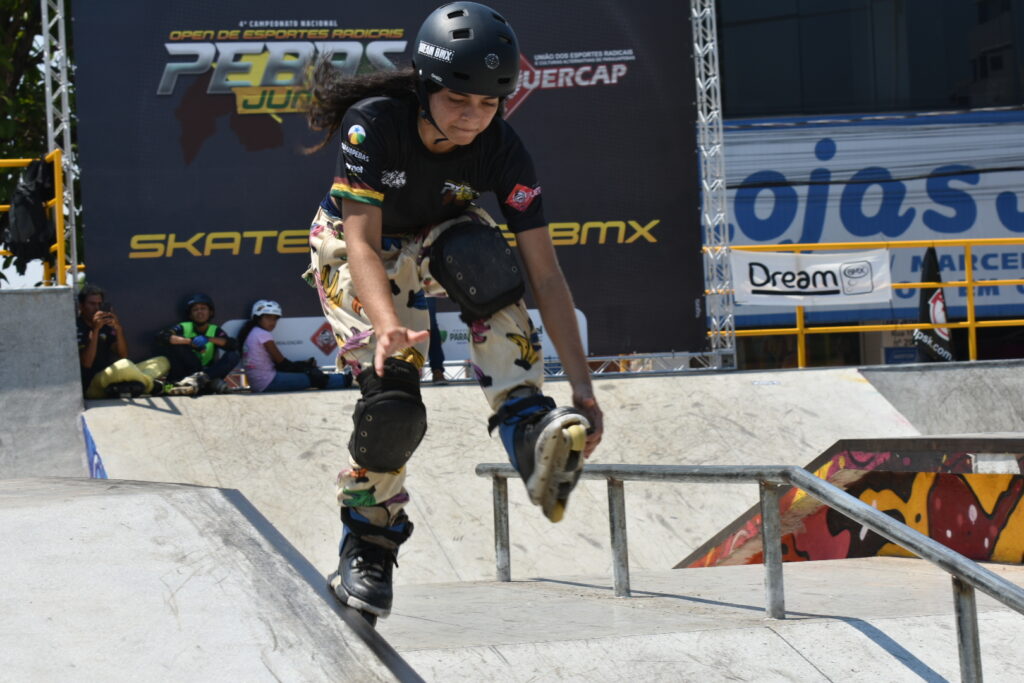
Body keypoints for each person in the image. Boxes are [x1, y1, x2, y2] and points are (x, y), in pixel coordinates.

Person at [303, 2, 603, 624]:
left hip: (438, 234)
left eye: (487, 106)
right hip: (360, 248)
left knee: (481, 255)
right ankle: (368, 539)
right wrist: (387, 327)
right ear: (425, 85)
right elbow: (360, 240)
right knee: (393, 403)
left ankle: (525, 422)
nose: (471, 119)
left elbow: (544, 272)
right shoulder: (373, 124)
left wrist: (582, 389)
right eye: (458, 102)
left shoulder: (502, 147)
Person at [76, 284, 171, 398]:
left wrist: (118, 328)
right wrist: (95, 330)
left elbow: (123, 354)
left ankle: (137, 384)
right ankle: (153, 386)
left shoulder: (105, 326)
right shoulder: (76, 327)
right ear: (81, 306)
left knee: (162, 361)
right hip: (91, 384)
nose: (97, 308)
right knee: (124, 366)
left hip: (113, 376)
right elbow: (86, 363)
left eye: (99, 304)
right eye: (92, 304)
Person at [238, 299, 352, 392]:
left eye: (274, 319)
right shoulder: (263, 335)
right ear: (258, 318)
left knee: (310, 373)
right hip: (268, 382)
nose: (272, 322)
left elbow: (280, 364)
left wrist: (304, 365)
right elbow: (282, 363)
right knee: (314, 377)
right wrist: (305, 367)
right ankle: (347, 380)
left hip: (258, 383)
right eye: (268, 318)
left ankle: (343, 378)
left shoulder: (252, 332)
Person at [158, 293, 241, 395]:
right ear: (190, 314)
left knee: (234, 355)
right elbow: (163, 337)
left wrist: (208, 339)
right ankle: (188, 384)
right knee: (177, 344)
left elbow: (232, 344)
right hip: (184, 373)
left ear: (210, 312)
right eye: (195, 309)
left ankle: (200, 380)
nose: (199, 312)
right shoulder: (184, 326)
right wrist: (190, 342)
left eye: (203, 308)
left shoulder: (214, 330)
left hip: (205, 374)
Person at [426, 297, 446, 383]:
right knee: (405, 321)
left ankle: (437, 370)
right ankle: (405, 369)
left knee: (431, 323)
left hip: (424, 286)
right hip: (401, 285)